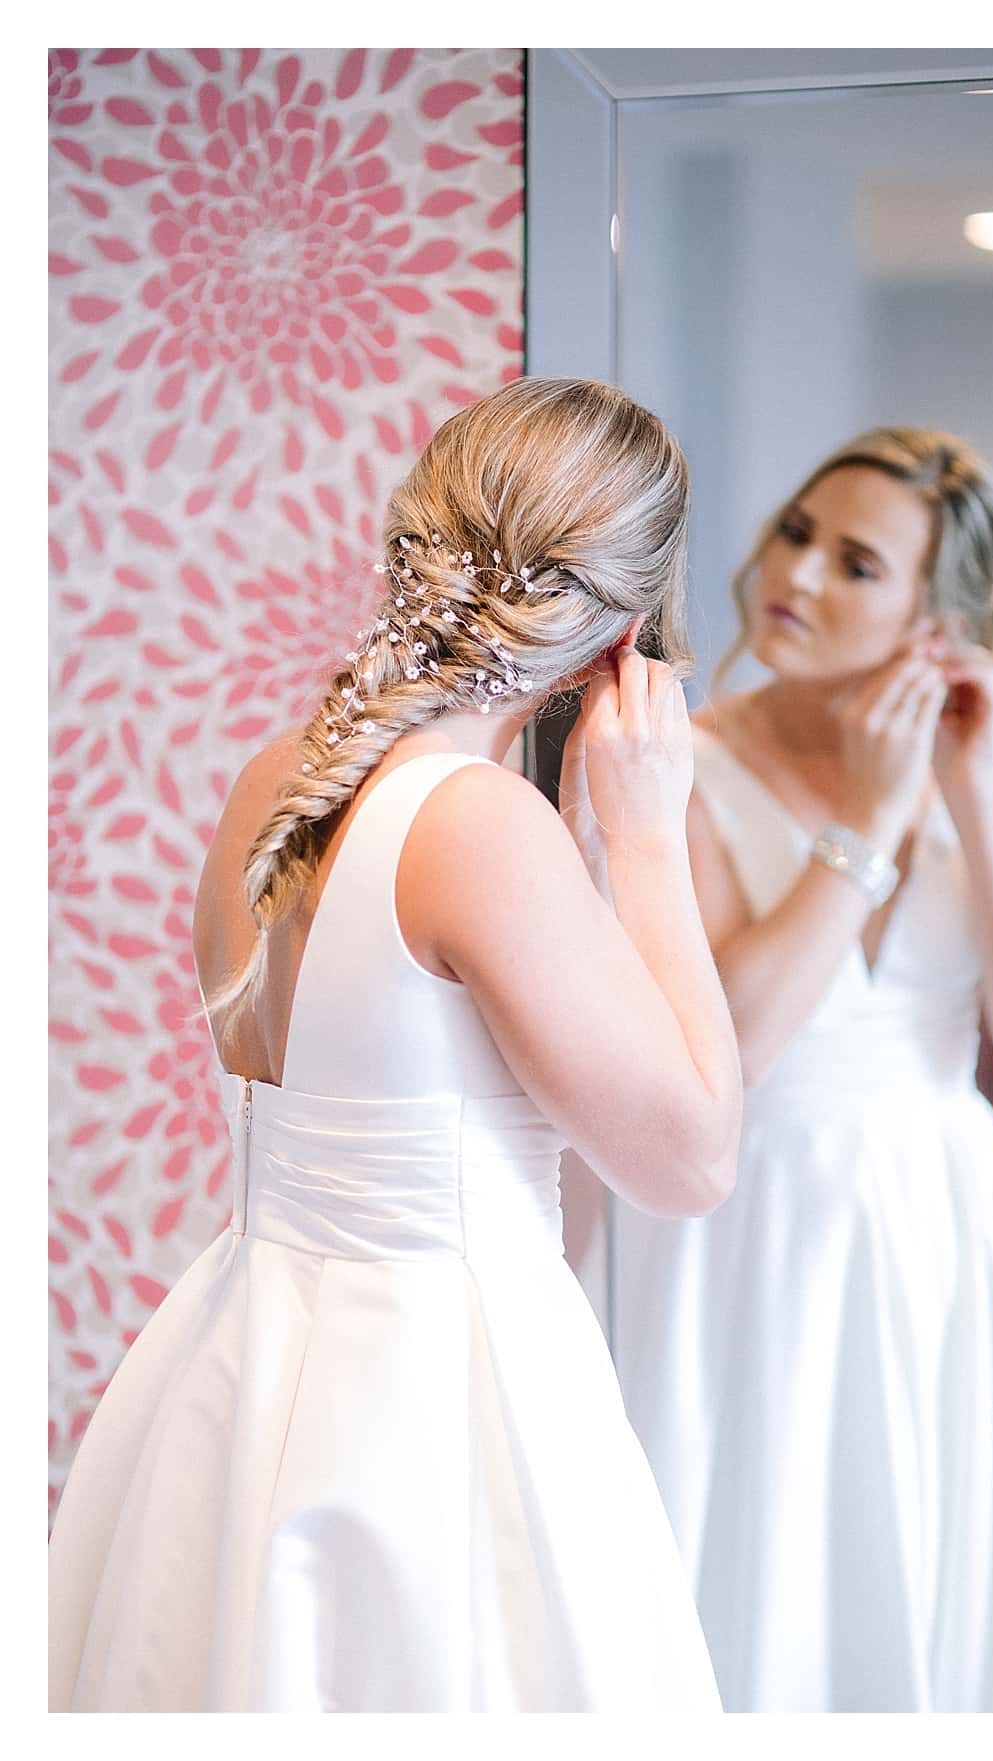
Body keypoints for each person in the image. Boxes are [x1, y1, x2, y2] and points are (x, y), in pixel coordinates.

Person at [48, 378, 742, 1711]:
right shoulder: (479, 825)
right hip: (427, 1396)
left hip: (242, 1354)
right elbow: (693, 1159)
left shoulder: (281, 775)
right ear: (627, 626)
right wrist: (648, 838)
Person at [601, 428, 993, 1712]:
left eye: (856, 563)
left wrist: (968, 794)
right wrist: (858, 826)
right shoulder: (676, 761)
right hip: (744, 1231)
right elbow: (724, 1044)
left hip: (948, 1226)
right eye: (797, 532)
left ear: (932, 617)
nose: (796, 573)